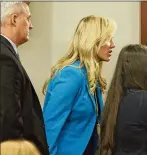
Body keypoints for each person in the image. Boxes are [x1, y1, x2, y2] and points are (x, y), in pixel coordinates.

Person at [42, 15, 116, 155]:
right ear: (93, 41)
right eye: (108, 39)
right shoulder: (71, 75)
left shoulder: (91, 76)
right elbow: (50, 126)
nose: (112, 44)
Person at [0, 2, 49, 155]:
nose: (31, 25)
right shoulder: (4, 57)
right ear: (14, 19)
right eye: (28, 19)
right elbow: (8, 117)